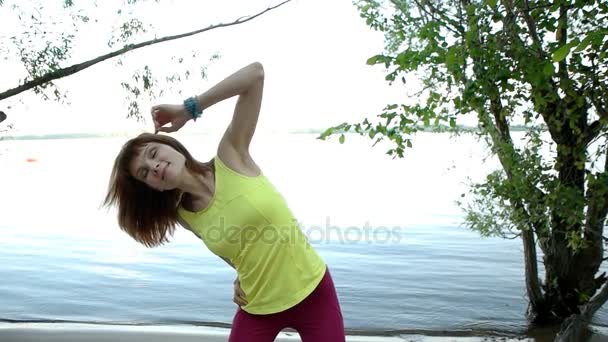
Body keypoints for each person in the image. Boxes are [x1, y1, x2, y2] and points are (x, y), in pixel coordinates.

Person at [104, 62, 346, 342]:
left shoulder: (231, 155)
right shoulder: (184, 215)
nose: (154, 166)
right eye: (144, 173)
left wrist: (188, 108)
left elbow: (255, 74)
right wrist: (241, 275)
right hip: (258, 305)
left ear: (171, 144)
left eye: (153, 153)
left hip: (313, 292)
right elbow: (235, 251)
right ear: (151, 188)